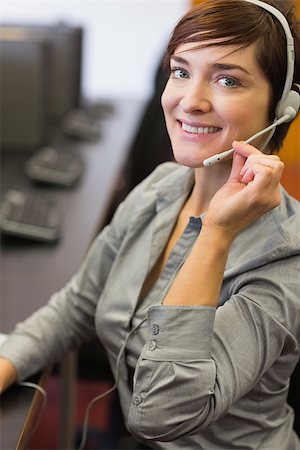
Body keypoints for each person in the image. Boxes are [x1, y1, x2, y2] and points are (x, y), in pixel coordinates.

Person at [1, 0, 300, 448]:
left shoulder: (285, 255)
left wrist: (216, 233)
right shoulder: (161, 188)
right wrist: (6, 361)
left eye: (227, 80)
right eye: (181, 71)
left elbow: (163, 411)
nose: (190, 101)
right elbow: (79, 304)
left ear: (280, 106)